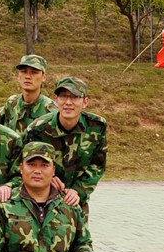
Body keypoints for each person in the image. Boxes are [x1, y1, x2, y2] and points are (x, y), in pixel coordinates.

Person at [22, 76, 107, 216]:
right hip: (41, 200)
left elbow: (97, 165)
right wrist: (47, 178)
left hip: (76, 201)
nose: (68, 102)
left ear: (85, 102)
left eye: (75, 97)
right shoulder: (37, 129)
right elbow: (22, 164)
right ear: (56, 100)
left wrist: (78, 190)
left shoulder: (97, 126)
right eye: (63, 96)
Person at [0, 55, 56, 134]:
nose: (28, 76)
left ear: (44, 77)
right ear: (18, 75)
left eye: (34, 72)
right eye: (24, 71)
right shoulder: (12, 104)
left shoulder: (52, 111)